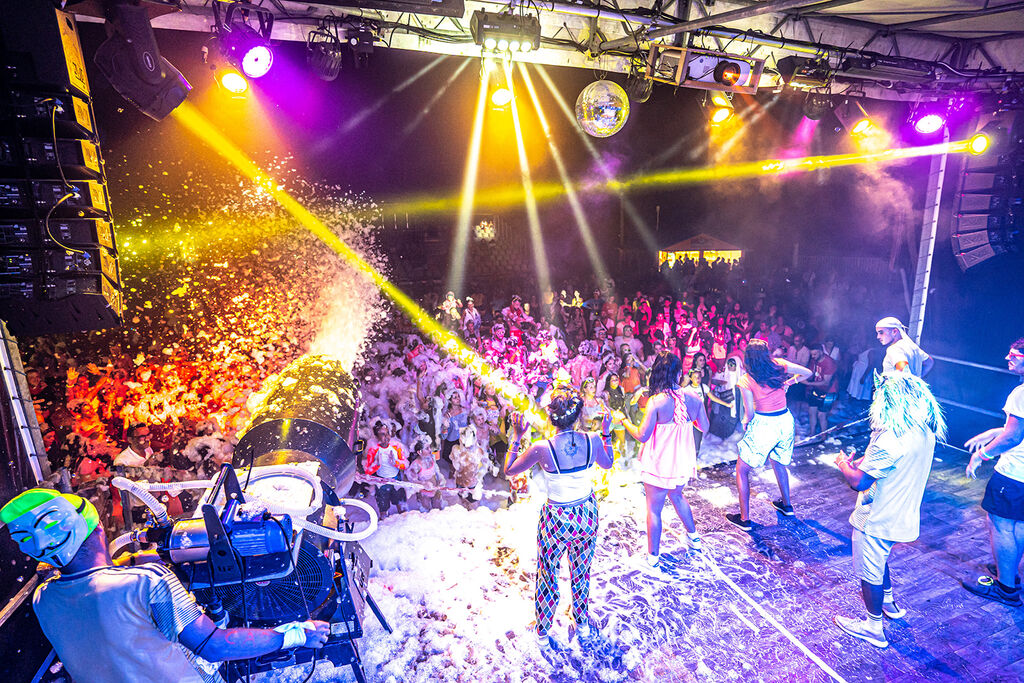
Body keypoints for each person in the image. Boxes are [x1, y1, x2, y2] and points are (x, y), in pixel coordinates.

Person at [0, 489, 330, 683]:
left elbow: (95, 594)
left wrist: (128, 564)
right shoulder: (146, 584)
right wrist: (295, 634)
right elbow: (215, 646)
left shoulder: (43, 599)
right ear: (95, 529)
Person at [832, 372, 946, 648]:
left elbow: (859, 482)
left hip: (877, 517)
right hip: (902, 514)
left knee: (869, 571)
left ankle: (873, 627)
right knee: (879, 560)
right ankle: (890, 605)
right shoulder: (923, 431)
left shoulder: (890, 439)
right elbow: (886, 464)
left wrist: (843, 464)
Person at [505, 385, 614, 655]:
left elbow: (509, 470)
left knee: (548, 574)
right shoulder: (593, 440)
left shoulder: (542, 448)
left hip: (557, 519)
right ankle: (583, 624)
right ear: (577, 416)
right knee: (581, 572)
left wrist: (517, 437)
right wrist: (607, 432)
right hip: (587, 514)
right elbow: (609, 463)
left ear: (552, 417)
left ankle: (543, 632)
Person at [617, 353, 708, 569]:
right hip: (681, 461)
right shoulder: (693, 398)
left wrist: (624, 421)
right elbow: (704, 427)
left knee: (654, 510)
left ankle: (653, 558)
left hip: (658, 462)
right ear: (678, 373)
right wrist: (685, 420)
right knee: (677, 496)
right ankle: (694, 538)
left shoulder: (656, 402)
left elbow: (642, 435)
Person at [726, 339, 812, 531]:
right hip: (785, 421)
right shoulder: (779, 366)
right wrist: (790, 382)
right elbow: (808, 372)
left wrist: (745, 423)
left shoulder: (747, 379)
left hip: (765, 423)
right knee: (778, 462)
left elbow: (749, 414)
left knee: (742, 470)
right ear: (766, 354)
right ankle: (786, 506)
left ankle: (745, 519)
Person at [963, 338, 1024, 607]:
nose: (1008, 358)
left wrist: (982, 454)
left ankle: (1006, 589)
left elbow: (1014, 437)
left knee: (1000, 525)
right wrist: (993, 432)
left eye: (1014, 355)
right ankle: (1010, 574)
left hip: (1014, 474)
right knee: (1019, 525)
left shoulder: (1020, 393)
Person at [365, 421, 409, 517]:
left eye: (388, 433)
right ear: (377, 437)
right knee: (383, 507)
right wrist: (376, 464)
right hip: (381, 482)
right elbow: (367, 471)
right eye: (382, 434)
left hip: (396, 479)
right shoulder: (373, 450)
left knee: (401, 505)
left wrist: (396, 463)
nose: (386, 437)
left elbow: (405, 465)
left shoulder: (396, 446)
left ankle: (403, 523)